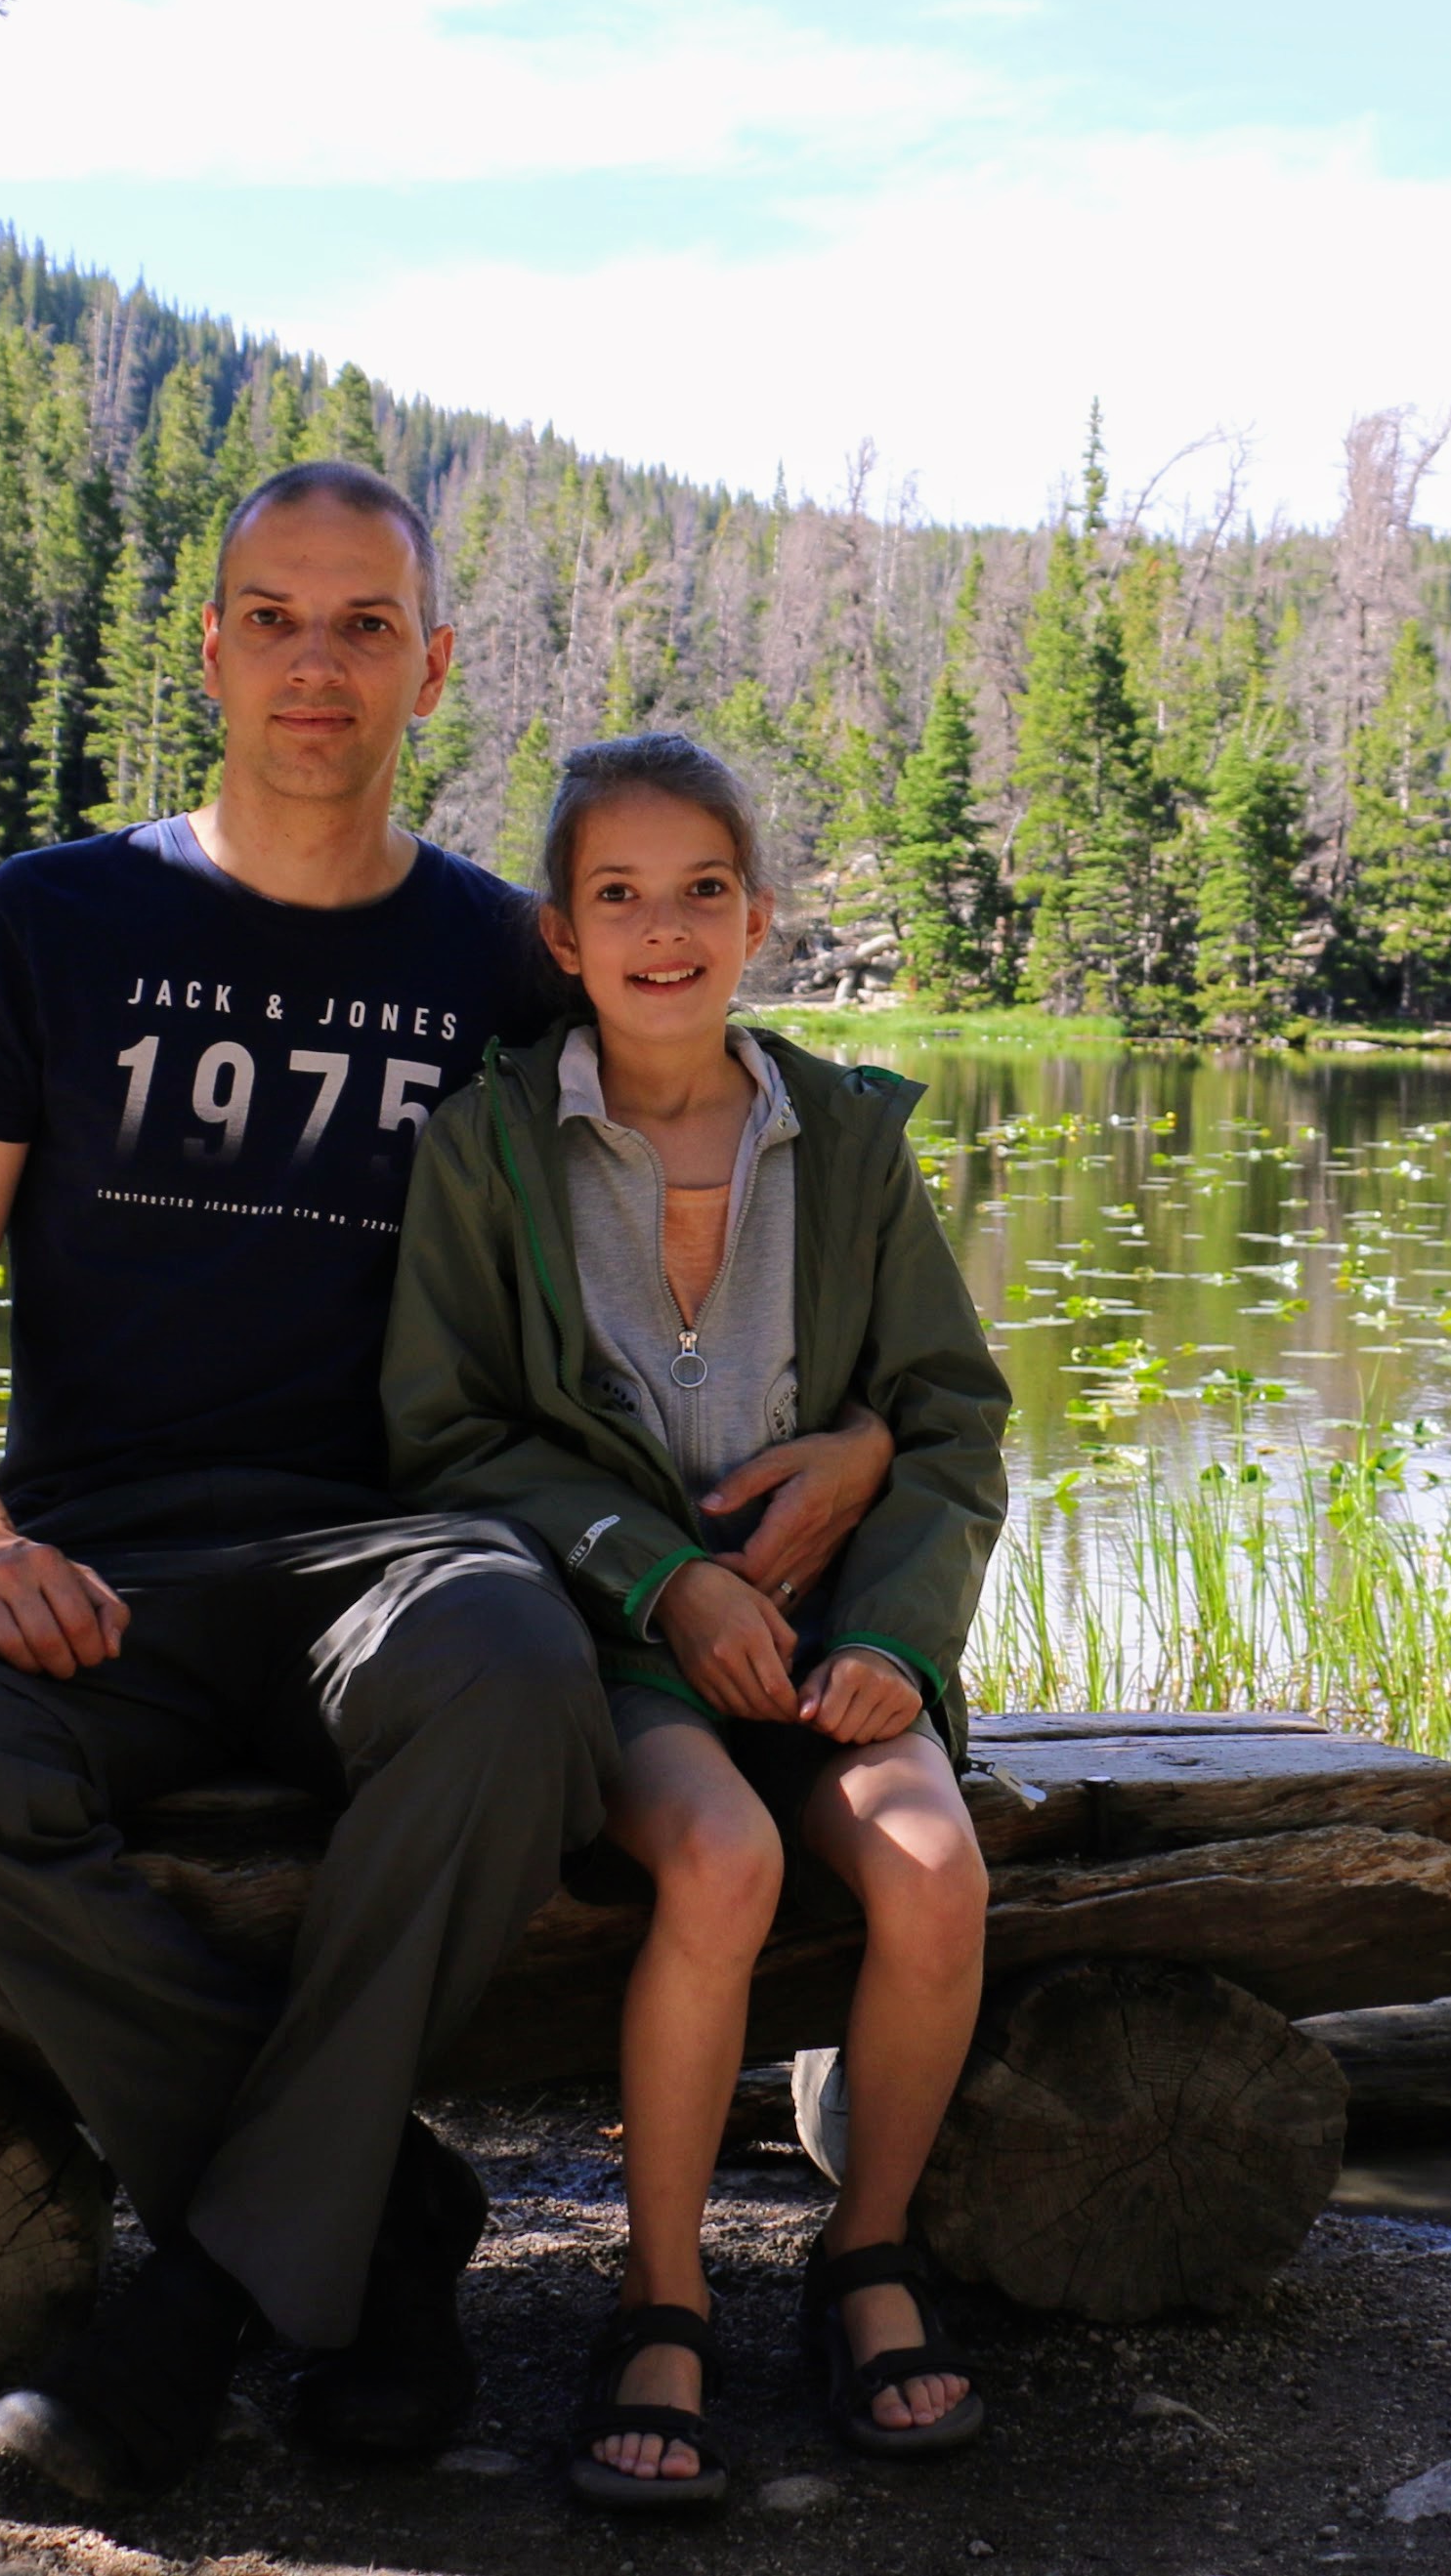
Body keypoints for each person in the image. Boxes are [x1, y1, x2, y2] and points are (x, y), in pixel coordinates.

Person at [0, 469, 902, 2507]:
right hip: (94, 1558)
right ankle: (368, 2223)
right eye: (275, 617)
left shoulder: (504, 959)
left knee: (511, 1674)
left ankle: (201, 2300)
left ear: (433, 663)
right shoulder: (50, 926)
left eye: (366, 624)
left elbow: (733, 1185)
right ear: (210, 643)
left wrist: (862, 1432)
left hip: (405, 1558)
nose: (318, 664)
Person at [381, 732, 1008, 2513]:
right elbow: (443, 1436)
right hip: (616, 1652)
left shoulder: (852, 1136)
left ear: (758, 914)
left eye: (703, 892)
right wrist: (662, 1575)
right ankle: (658, 2295)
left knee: (932, 1860)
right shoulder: (487, 1147)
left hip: (835, 1639)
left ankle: (864, 2253)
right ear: (562, 935)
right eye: (619, 896)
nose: (666, 931)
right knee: (719, 1857)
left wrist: (894, 1638)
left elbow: (949, 1420)